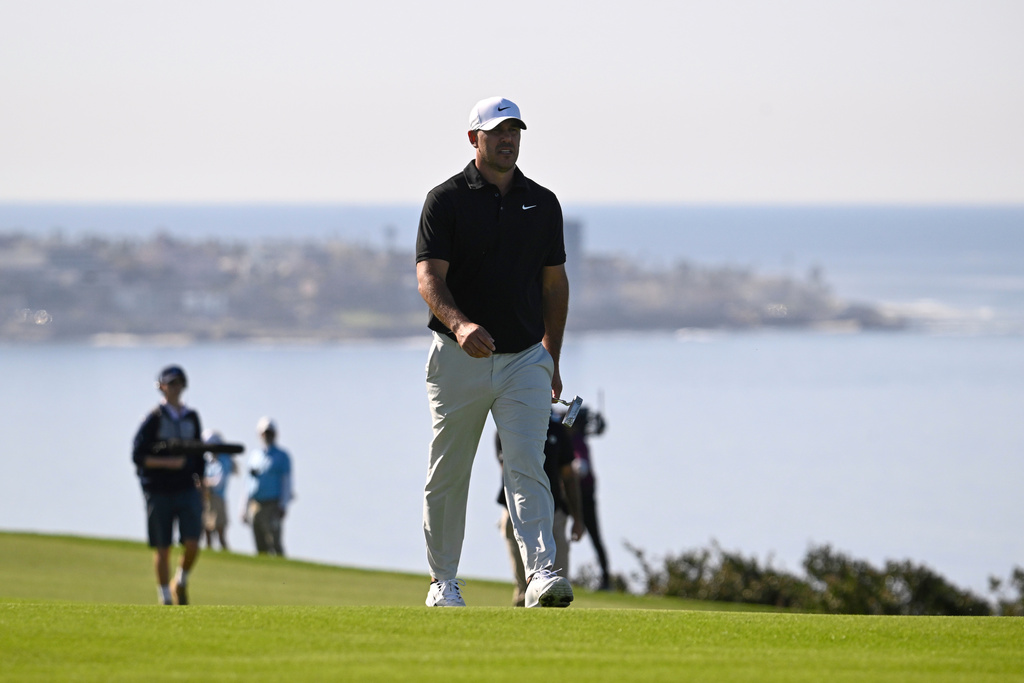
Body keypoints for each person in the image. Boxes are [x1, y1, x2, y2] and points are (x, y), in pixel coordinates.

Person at [416, 96, 573, 608]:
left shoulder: (543, 202)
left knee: (528, 464)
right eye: (498, 132)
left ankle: (542, 574)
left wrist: (551, 354)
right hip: (457, 357)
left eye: (515, 131)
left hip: (525, 358)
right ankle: (444, 582)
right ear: (474, 139)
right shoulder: (445, 201)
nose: (509, 139)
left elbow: (554, 285)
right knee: (450, 469)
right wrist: (460, 326)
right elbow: (428, 278)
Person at [131, 365, 204, 605]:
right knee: (162, 547)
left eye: (179, 383)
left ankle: (180, 582)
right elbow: (138, 456)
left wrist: (201, 483)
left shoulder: (191, 418)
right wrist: (168, 462)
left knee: (192, 542)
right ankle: (164, 597)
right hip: (158, 490)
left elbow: (198, 455)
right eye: (171, 384)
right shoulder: (153, 419)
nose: (175, 388)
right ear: (161, 387)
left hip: (186, 489)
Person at [496, 412, 585, 606]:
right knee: (523, 587)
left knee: (557, 584)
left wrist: (578, 519)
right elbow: (508, 470)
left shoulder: (558, 430)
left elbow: (568, 477)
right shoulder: (507, 424)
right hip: (514, 514)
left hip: (555, 514)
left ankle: (555, 633)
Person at [567, 406, 613, 590]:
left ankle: (606, 580)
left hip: (583, 495)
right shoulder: (574, 438)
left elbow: (582, 466)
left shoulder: (577, 440)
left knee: (594, 535)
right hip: (575, 493)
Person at [243, 417, 293, 556]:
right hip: (255, 504)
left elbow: (287, 483)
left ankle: (284, 574)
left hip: (273, 505)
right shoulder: (254, 455)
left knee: (275, 542)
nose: (267, 436)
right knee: (259, 544)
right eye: (265, 433)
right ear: (260, 434)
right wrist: (244, 507)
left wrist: (283, 505)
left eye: (270, 432)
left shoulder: (282, 456)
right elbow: (248, 483)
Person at [201, 429, 237, 551]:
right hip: (206, 499)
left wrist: (204, 482)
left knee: (220, 534)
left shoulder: (224, 460)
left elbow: (219, 483)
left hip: (217, 500)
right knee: (207, 533)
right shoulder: (209, 460)